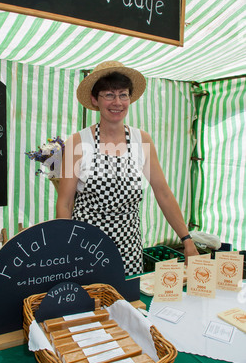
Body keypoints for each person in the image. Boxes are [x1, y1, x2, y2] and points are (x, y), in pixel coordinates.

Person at [56, 61, 198, 275]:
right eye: (109, 95)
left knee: (127, 305)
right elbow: (65, 202)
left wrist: (186, 239)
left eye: (123, 95)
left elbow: (163, 193)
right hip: (84, 247)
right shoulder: (77, 142)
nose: (117, 102)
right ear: (95, 100)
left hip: (128, 248)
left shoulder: (142, 140)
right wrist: (65, 248)